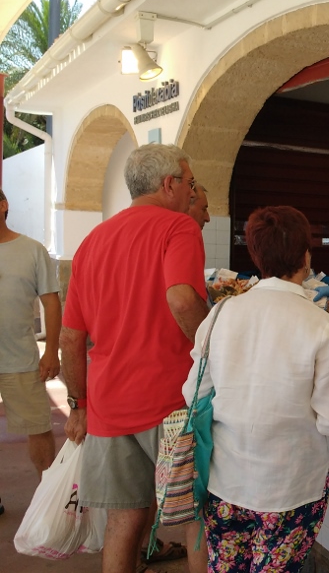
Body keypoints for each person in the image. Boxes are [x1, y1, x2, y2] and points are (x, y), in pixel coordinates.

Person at [183, 205, 329, 572]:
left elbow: (194, 395)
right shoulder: (319, 324)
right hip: (291, 488)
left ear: (255, 255)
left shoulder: (221, 313)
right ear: (305, 256)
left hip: (226, 483)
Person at [60, 143, 209, 573]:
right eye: (191, 184)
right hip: (171, 404)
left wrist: (79, 405)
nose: (190, 194)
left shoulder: (93, 242)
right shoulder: (179, 229)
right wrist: (212, 350)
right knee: (195, 519)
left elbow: (71, 339)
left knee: (124, 521)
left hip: (109, 405)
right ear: (170, 184)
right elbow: (182, 300)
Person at [0, 188, 61, 493]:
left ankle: (46, 499)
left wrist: (51, 351)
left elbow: (51, 302)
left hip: (21, 359)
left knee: (38, 428)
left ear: (3, 205)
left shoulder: (31, 250)